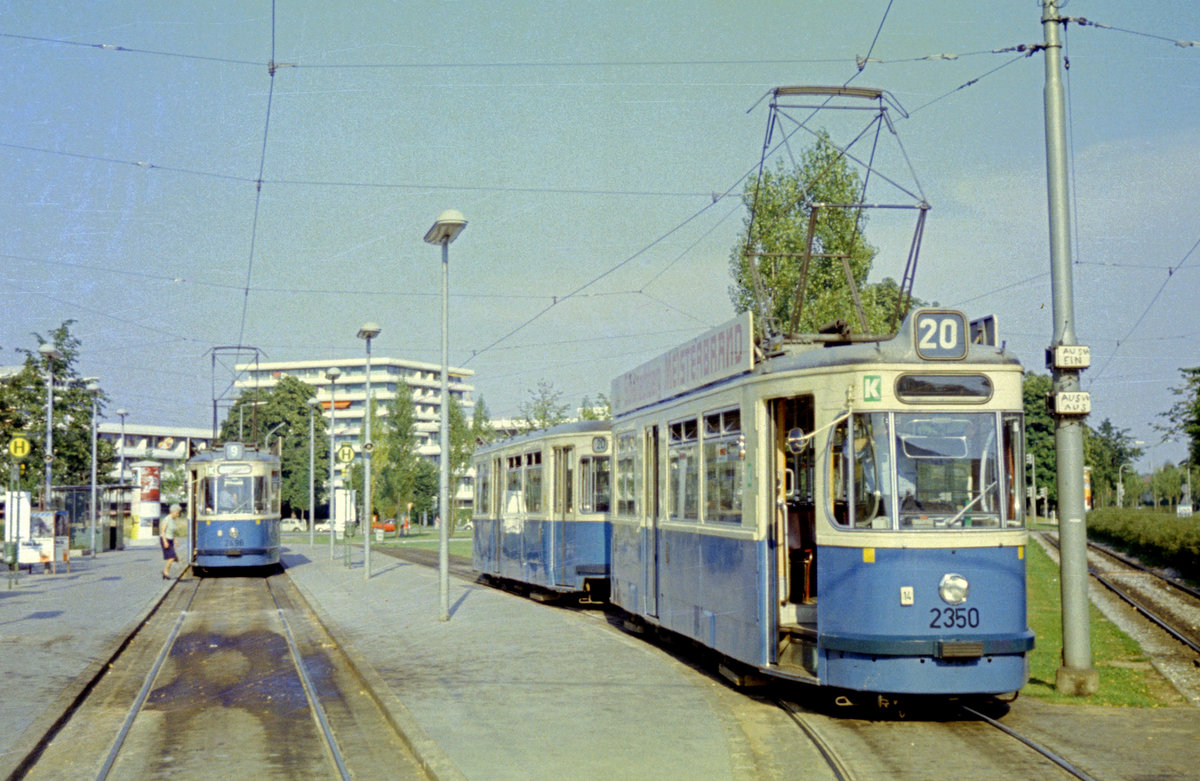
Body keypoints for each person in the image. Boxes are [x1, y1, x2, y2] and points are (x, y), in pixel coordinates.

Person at [161, 503, 181, 580]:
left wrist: (175, 540)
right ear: (172, 512)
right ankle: (165, 571)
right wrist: (165, 542)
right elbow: (162, 531)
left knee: (173, 557)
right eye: (177, 513)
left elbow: (171, 532)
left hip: (170, 539)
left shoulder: (173, 520)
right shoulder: (167, 519)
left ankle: (166, 572)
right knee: (172, 557)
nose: (178, 515)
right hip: (165, 539)